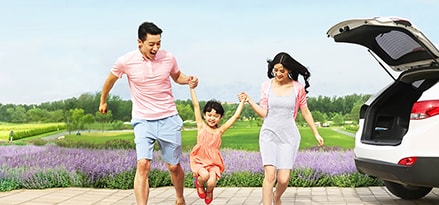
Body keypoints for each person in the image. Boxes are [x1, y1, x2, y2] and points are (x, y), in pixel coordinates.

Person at [98, 21, 198, 205]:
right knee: (143, 164)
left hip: (168, 117)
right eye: (151, 44)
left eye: (158, 43)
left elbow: (177, 77)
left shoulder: (168, 57)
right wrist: (103, 100)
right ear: (140, 42)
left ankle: (179, 197)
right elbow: (110, 81)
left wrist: (189, 80)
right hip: (143, 120)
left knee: (174, 166)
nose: (156, 48)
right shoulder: (125, 61)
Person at [239, 52, 324, 205]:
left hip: (288, 137)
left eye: (282, 71)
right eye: (275, 70)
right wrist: (250, 101)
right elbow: (264, 113)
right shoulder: (266, 85)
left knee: (283, 179)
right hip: (269, 134)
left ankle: (276, 198)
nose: (278, 73)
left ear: (289, 70)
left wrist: (316, 133)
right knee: (270, 176)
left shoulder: (298, 88)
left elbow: (305, 111)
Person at [189, 86, 245, 204]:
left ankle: (209, 191)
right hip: (200, 159)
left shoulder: (219, 131)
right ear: (204, 115)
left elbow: (235, 117)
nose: (212, 118)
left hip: (213, 162)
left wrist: (242, 102)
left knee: (211, 182)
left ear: (220, 118)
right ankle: (199, 185)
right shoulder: (201, 126)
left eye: (216, 116)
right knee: (204, 176)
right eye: (209, 115)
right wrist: (192, 88)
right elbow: (196, 105)